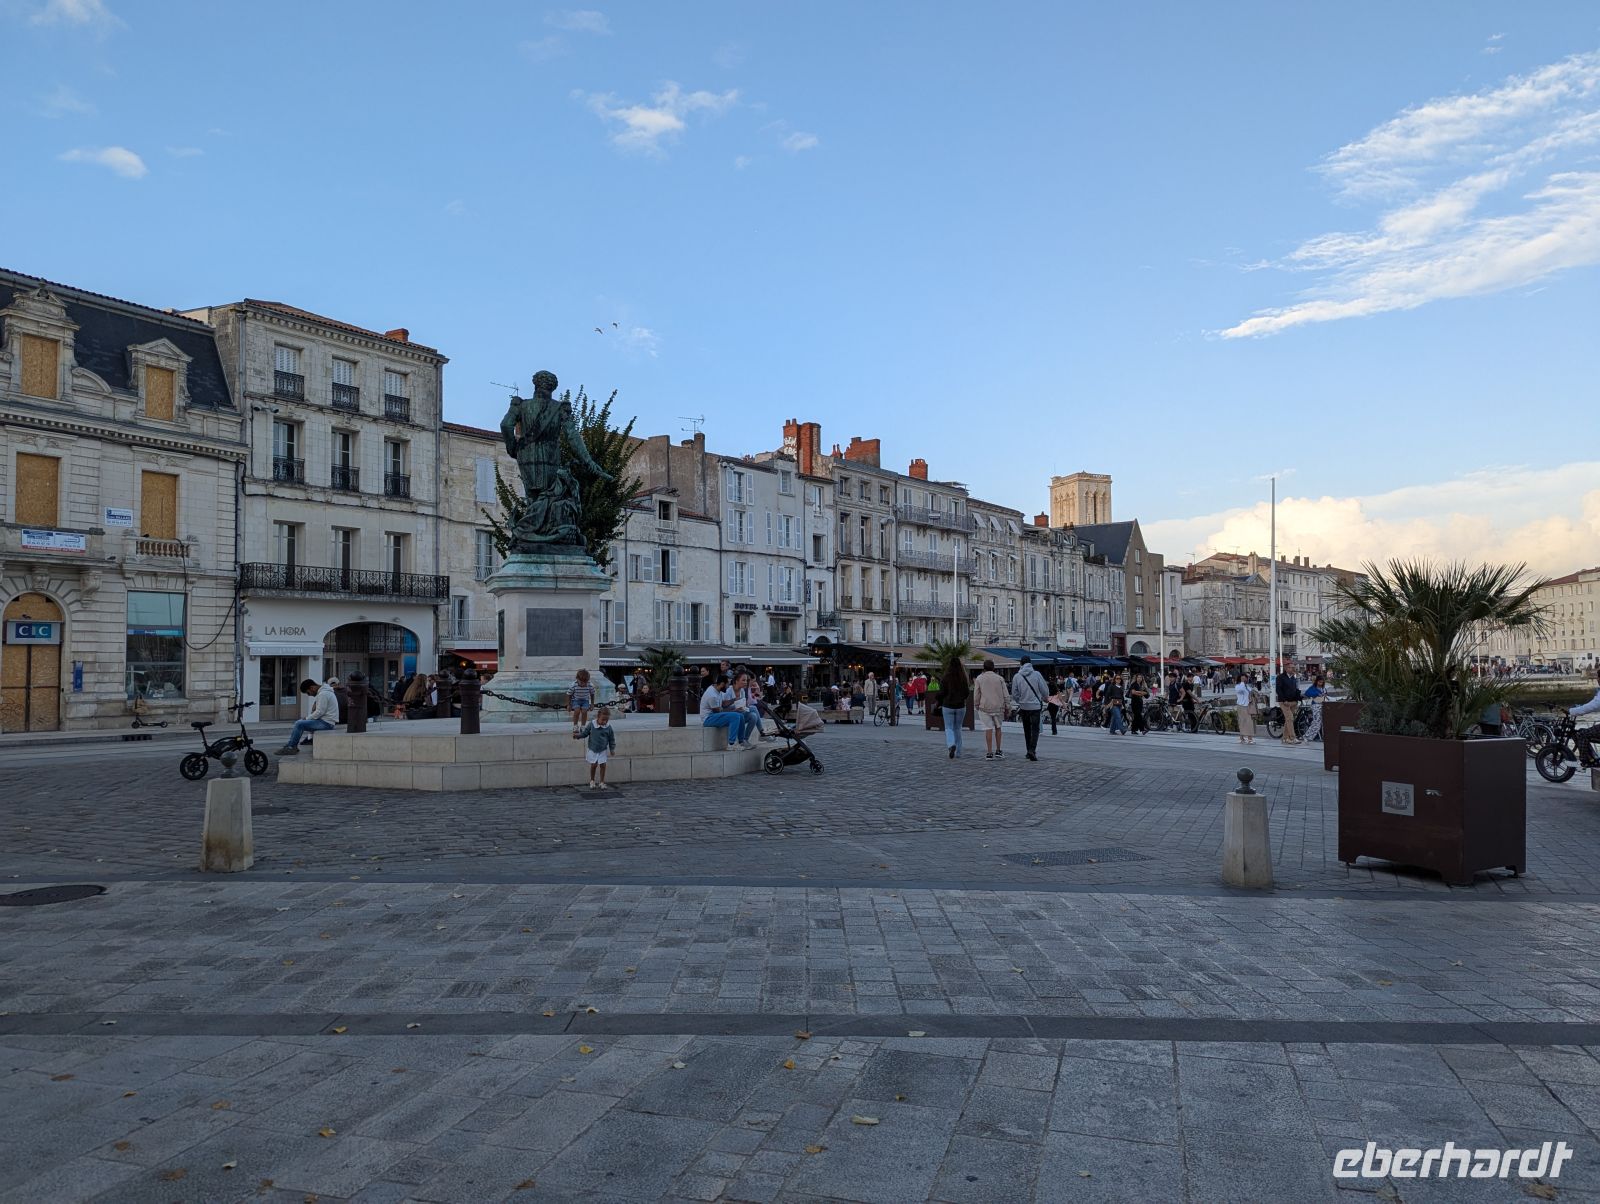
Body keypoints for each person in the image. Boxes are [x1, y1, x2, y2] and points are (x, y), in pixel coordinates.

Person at [276, 678, 338, 756]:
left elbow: (320, 712)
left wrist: (307, 718)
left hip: (327, 723)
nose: (309, 695)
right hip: (326, 721)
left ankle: (291, 747)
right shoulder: (324, 693)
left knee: (299, 724)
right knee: (300, 723)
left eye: (308, 693)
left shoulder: (323, 694)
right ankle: (291, 745)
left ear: (312, 688)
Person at [1010, 655, 1049, 760]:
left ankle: (1028, 750)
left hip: (1024, 706)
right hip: (1035, 706)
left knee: (1026, 729)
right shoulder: (1037, 674)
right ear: (1030, 663)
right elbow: (1044, 690)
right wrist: (1045, 697)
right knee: (1035, 729)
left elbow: (1014, 694)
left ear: (1021, 664)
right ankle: (1032, 750)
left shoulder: (1017, 676)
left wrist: (1020, 701)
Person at [572, 705, 617, 789]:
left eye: (606, 720)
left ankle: (602, 782)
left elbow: (611, 739)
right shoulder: (592, 725)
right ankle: (592, 780)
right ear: (598, 717)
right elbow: (585, 733)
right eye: (603, 719)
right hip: (593, 748)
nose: (604, 722)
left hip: (603, 749)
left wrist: (612, 749)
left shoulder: (608, 727)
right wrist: (578, 736)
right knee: (594, 764)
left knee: (603, 765)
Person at [973, 658, 1009, 759]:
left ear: (984, 668)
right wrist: (1008, 706)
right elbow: (1006, 694)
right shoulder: (1000, 678)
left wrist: (976, 705)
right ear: (993, 667)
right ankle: (998, 750)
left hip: (984, 707)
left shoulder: (979, 678)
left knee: (988, 728)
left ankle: (989, 752)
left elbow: (976, 694)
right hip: (998, 707)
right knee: (998, 728)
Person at [937, 654, 971, 759]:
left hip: (948, 706)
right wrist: (962, 699)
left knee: (948, 727)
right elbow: (967, 692)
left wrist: (938, 699)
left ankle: (951, 744)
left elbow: (942, 692)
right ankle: (959, 752)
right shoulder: (963, 677)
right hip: (961, 706)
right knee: (958, 728)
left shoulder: (946, 677)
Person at [699, 673, 745, 748]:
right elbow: (718, 712)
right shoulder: (712, 695)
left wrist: (734, 700)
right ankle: (731, 744)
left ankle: (741, 741)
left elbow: (723, 704)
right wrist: (735, 710)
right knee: (735, 716)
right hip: (708, 719)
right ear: (723, 684)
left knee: (741, 716)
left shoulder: (717, 689)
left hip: (714, 715)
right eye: (727, 684)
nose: (729, 687)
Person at [1275, 663, 1303, 746]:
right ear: (1286, 668)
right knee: (1290, 718)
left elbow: (1296, 689)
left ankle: (1285, 738)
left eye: (1294, 667)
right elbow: (1278, 689)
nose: (1293, 669)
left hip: (1293, 701)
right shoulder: (1280, 677)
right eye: (1291, 668)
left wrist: (1298, 698)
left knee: (1289, 720)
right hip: (1284, 702)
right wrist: (1284, 700)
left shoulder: (1294, 678)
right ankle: (1292, 737)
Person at [568, 669, 594, 733]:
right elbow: (569, 694)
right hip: (576, 700)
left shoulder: (590, 685)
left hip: (585, 700)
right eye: (581, 682)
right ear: (577, 679)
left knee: (584, 711)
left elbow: (592, 694)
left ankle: (583, 726)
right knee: (576, 711)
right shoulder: (574, 685)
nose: (583, 684)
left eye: (585, 682)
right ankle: (575, 725)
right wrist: (569, 704)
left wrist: (592, 704)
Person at [1234, 676, 1257, 744]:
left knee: (1248, 722)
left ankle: (1243, 738)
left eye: (1245, 678)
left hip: (1248, 706)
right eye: (1243, 678)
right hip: (1241, 706)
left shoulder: (1247, 686)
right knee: (1243, 722)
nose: (1244, 679)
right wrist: (1242, 682)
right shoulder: (1238, 686)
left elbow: (1252, 692)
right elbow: (1240, 690)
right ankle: (1248, 738)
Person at [1304, 675, 1327, 741]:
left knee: (1320, 722)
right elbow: (1307, 693)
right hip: (1316, 705)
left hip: (1323, 704)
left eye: (1322, 682)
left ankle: (1314, 736)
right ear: (1317, 681)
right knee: (1316, 722)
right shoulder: (1313, 687)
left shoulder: (1323, 688)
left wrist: (1324, 695)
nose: (1320, 684)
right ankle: (1307, 736)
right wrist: (1316, 694)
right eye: (1319, 682)